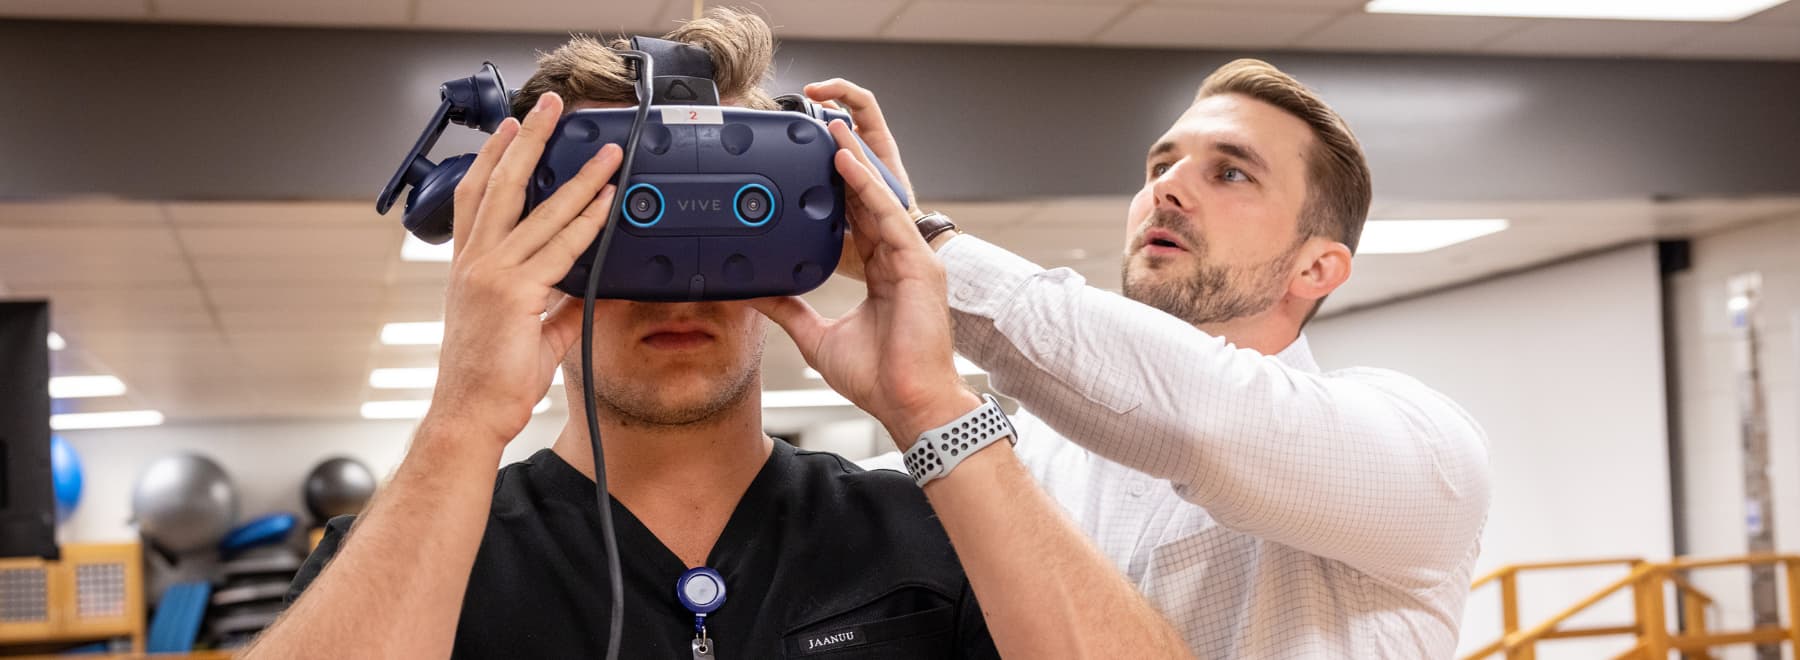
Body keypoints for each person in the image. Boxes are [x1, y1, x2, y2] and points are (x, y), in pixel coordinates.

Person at [246, 10, 1191, 659]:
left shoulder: (930, 537)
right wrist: (461, 421)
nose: (678, 281)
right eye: (620, 224)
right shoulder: (425, 552)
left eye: (733, 223)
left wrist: (931, 404)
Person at [815, 59, 1493, 657]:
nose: (1166, 189)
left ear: (1317, 268)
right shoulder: (1032, 456)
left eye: (1231, 172)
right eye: (1159, 166)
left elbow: (1207, 419)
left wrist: (919, 246)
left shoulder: (1426, 452)